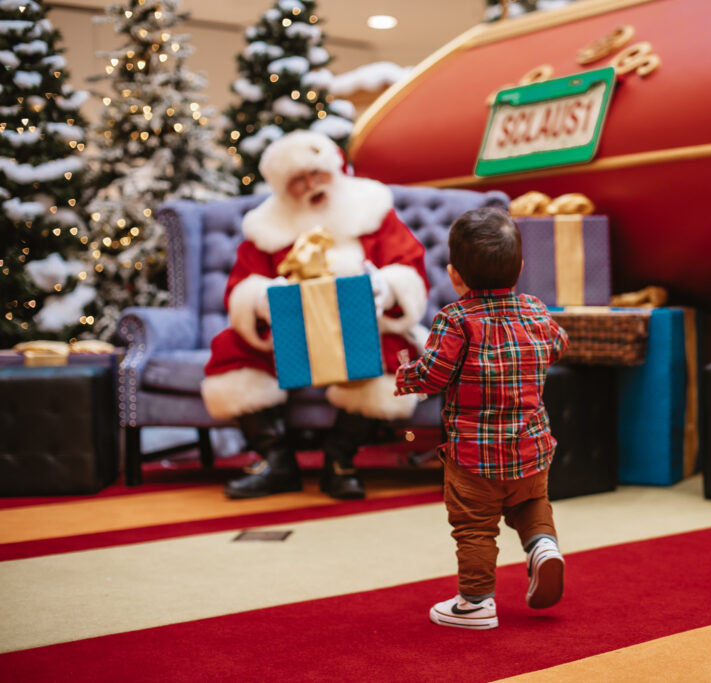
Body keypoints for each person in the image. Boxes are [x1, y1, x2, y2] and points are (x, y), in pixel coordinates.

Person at [201, 130, 429, 500]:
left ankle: (340, 459)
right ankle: (277, 461)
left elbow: (409, 268)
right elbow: (242, 285)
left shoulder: (371, 208)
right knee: (231, 348)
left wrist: (384, 288)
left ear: (334, 169)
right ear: (282, 188)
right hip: (290, 329)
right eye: (297, 181)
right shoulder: (266, 227)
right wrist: (263, 299)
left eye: (316, 174)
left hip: (364, 323)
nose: (310, 185)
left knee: (390, 356)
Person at [394, 206, 569, 630]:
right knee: (531, 503)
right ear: (520, 267)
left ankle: (475, 602)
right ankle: (543, 547)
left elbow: (433, 375)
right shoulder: (535, 310)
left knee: (474, 526)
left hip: (474, 456)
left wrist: (405, 374)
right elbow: (559, 345)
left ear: (455, 275)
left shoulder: (456, 320)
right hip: (531, 446)